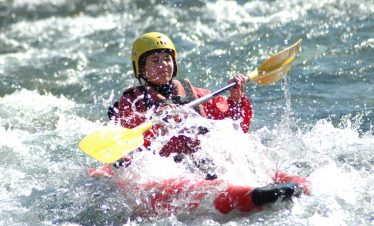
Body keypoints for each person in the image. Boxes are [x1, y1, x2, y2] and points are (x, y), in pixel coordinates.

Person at [88, 32, 310, 215]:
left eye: (167, 59)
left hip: (199, 163)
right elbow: (125, 128)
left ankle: (271, 184)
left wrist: (235, 96)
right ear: (141, 68)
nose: (163, 65)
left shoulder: (193, 92)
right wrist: (156, 115)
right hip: (163, 170)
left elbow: (235, 125)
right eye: (155, 60)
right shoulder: (133, 100)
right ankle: (242, 195)